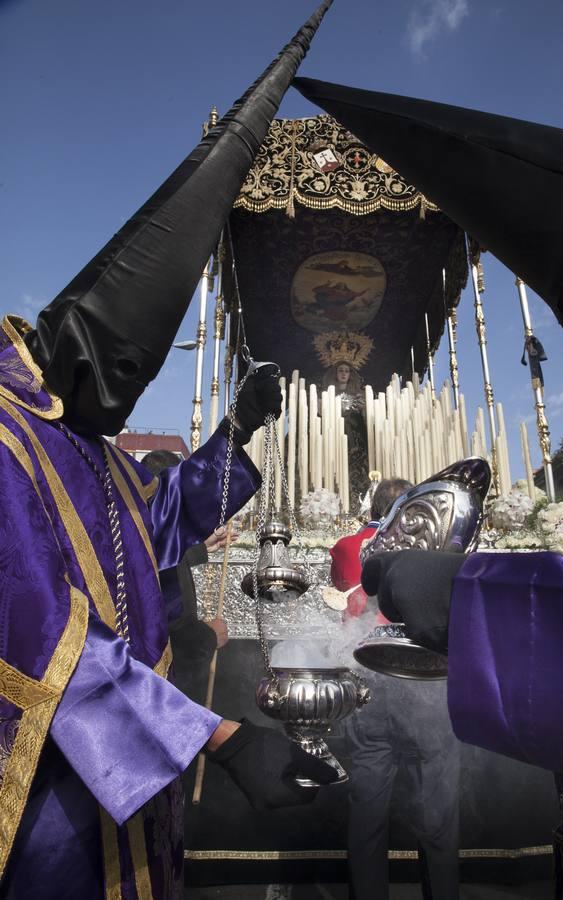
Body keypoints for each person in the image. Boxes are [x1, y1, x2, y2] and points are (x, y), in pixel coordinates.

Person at [0, 9, 338, 895]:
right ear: (72, 329)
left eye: (142, 374)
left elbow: (155, 527)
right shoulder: (6, 440)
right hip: (51, 797)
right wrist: (218, 739)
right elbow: (49, 643)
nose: (129, 390)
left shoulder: (87, 439)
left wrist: (238, 432)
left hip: (137, 793)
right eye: (121, 366)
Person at [294, 76, 563, 891]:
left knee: (402, 802)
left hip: (396, 682)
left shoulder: (367, 543)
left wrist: (453, 591)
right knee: (433, 807)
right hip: (404, 686)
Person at [331, 479, 460, 900]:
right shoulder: (443, 550)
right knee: (437, 808)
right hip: (426, 686)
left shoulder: (351, 545)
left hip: (370, 685)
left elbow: (339, 586)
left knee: (368, 810)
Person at [141, 448, 233, 700]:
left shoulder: (142, 529)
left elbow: (170, 556)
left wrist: (204, 548)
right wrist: (209, 637)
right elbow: (172, 634)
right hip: (160, 690)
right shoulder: (151, 538)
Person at [322, 360, 369, 507]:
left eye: (346, 371)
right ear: (336, 374)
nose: (343, 373)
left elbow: (365, 416)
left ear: (350, 375)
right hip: (333, 432)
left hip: (355, 436)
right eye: (341, 370)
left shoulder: (359, 395)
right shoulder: (327, 393)